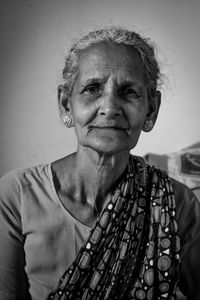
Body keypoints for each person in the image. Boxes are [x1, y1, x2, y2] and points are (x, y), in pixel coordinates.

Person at [0, 26, 200, 300]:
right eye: (92, 89)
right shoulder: (18, 195)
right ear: (65, 104)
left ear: (151, 108)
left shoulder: (177, 203)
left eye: (128, 91)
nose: (109, 107)